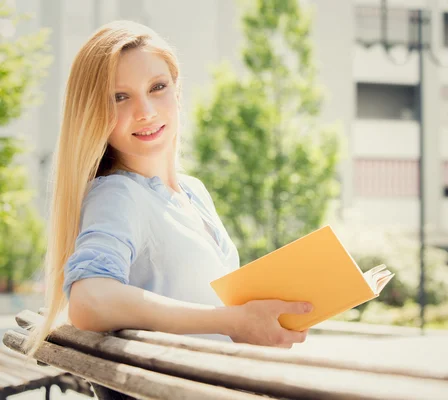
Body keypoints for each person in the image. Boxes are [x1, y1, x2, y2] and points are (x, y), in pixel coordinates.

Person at [26, 20, 312, 355]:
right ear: (93, 113)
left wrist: (252, 319)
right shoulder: (118, 195)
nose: (144, 111)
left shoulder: (194, 193)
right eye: (119, 97)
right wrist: (232, 320)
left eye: (157, 87)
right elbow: (90, 301)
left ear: (177, 92)